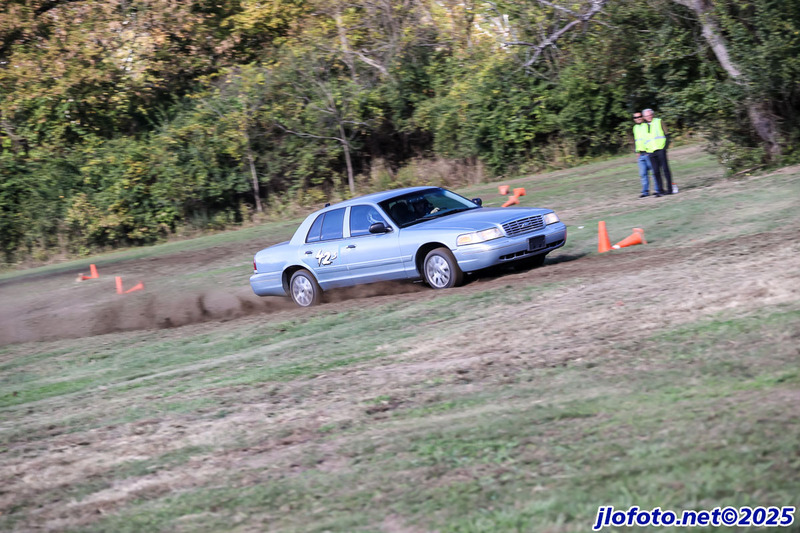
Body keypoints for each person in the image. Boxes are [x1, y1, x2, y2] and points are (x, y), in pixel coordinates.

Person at [643, 108, 674, 194]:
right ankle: (660, 190)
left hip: (660, 149)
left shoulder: (659, 121)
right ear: (644, 117)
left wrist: (665, 147)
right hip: (651, 152)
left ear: (652, 115)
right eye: (646, 116)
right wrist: (645, 150)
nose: (649, 117)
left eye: (650, 115)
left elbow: (667, 134)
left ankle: (670, 189)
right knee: (656, 171)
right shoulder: (643, 126)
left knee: (665, 170)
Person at [632, 112, 660, 197]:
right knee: (643, 174)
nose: (638, 118)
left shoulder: (647, 125)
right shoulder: (635, 128)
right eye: (636, 117)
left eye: (640, 116)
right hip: (640, 155)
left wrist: (650, 150)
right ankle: (645, 191)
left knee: (654, 172)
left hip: (648, 152)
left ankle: (657, 189)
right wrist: (637, 151)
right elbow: (637, 140)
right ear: (634, 119)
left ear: (643, 117)